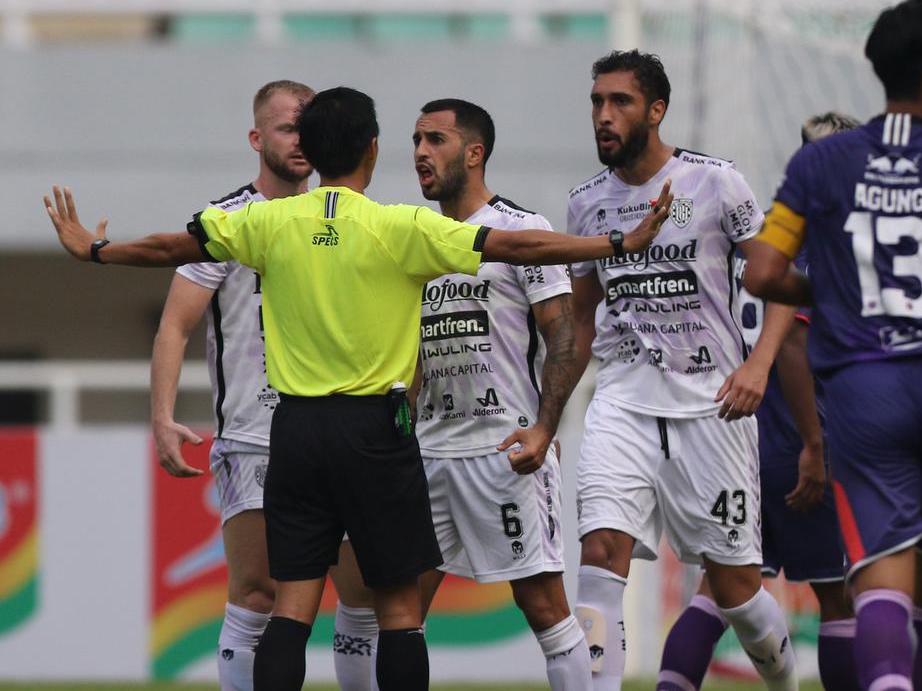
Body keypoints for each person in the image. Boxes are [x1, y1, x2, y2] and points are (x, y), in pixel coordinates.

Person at [44, 85, 675, 691]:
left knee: (291, 606)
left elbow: (167, 247)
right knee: (397, 609)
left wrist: (96, 249)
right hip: (377, 431)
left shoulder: (264, 222)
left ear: (312, 152)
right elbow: (518, 244)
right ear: (372, 148)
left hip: (294, 431)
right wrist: (618, 241)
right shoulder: (397, 226)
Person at [741, 0, 922, 691]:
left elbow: (763, 272)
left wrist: (843, 296)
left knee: (878, 582)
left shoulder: (820, 165)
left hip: (868, 393)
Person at [567, 49, 800, 691]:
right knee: (599, 556)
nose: (604, 115)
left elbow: (780, 282)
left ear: (656, 111)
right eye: (597, 102)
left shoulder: (716, 182)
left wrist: (758, 365)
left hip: (712, 407)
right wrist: (545, 418)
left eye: (620, 102)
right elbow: (580, 322)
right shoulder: (585, 203)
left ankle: (785, 683)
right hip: (621, 401)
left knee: (736, 590)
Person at [150, 79, 381, 691]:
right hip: (255, 435)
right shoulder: (225, 220)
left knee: (362, 593)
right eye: (286, 129)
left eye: (308, 129)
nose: (300, 141)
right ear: (257, 138)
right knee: (258, 590)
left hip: (338, 431)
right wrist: (163, 416)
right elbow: (175, 324)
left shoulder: (341, 217)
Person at [656, 111, 862, 691]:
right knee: (837, 595)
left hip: (728, 438)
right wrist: (814, 444)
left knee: (719, 590)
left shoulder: (750, 231)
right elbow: (793, 341)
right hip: (795, 437)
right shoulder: (824, 240)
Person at [409, 97, 591, 690]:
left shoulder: (522, 229)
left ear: (474, 152)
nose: (421, 153)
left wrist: (545, 429)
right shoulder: (417, 238)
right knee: (399, 611)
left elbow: (564, 334)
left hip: (503, 451)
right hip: (430, 453)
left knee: (543, 607)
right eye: (416, 141)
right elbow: (413, 355)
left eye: (435, 140)